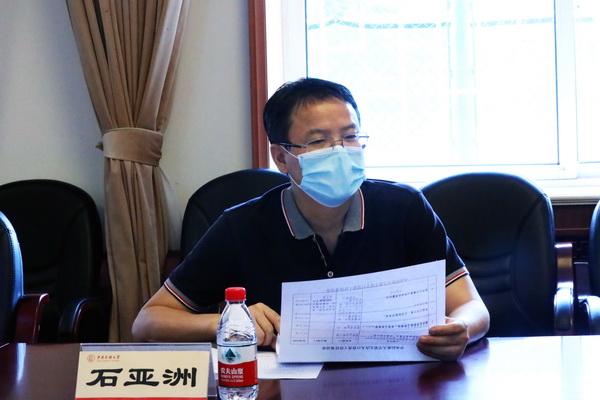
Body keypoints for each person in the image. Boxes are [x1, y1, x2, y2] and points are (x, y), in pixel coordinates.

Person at [132, 77, 490, 361]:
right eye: (319, 142)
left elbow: (471, 306)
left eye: (350, 137)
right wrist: (230, 322)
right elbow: (148, 321)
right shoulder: (241, 225)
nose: (340, 151)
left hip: (395, 381)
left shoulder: (404, 208)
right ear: (281, 158)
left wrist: (462, 328)